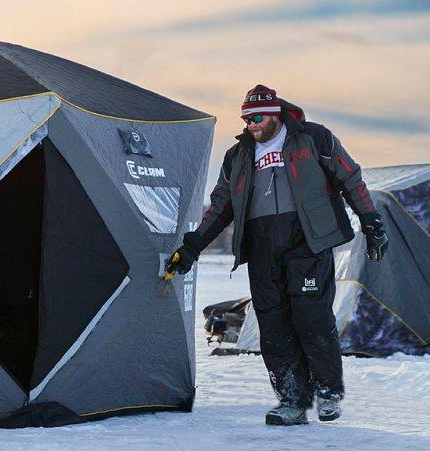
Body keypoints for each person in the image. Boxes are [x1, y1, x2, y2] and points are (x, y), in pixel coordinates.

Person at [166, 85, 388, 426]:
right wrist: (193, 246)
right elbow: (222, 206)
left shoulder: (313, 138)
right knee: (272, 324)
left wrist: (371, 221)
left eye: (257, 118)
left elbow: (350, 177)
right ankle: (291, 401)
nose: (251, 125)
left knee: (311, 315)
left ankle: (327, 391)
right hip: (262, 246)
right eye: (245, 119)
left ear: (275, 114)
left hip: (307, 240)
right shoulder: (237, 155)